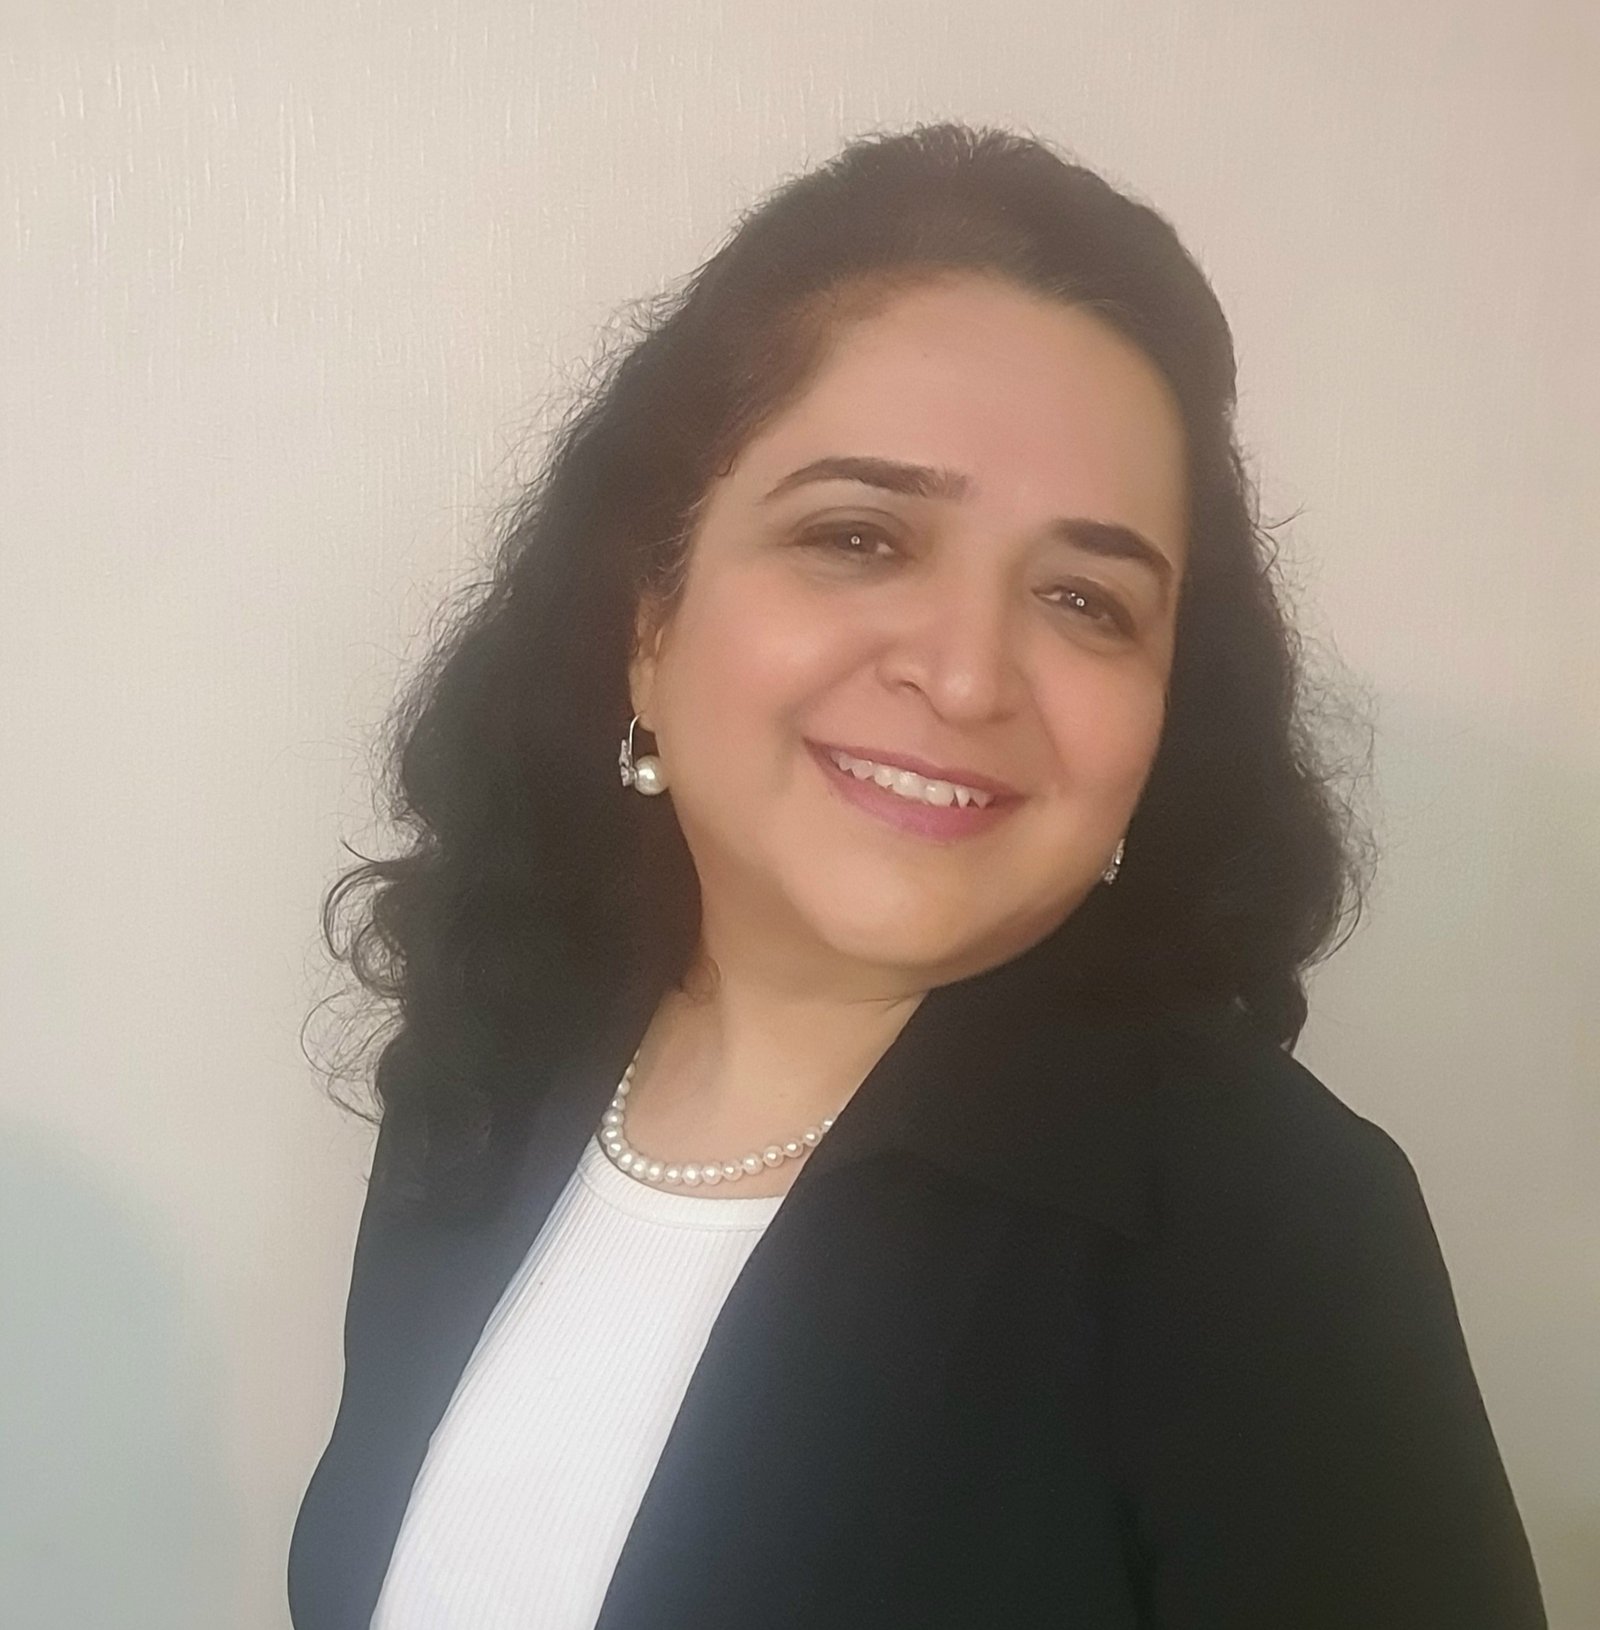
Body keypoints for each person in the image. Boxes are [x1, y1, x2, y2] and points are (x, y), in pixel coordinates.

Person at [286, 121, 1547, 1628]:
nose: (966, 676)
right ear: (648, 620)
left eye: (1084, 598)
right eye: (861, 535)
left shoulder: (1267, 1229)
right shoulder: (489, 1077)